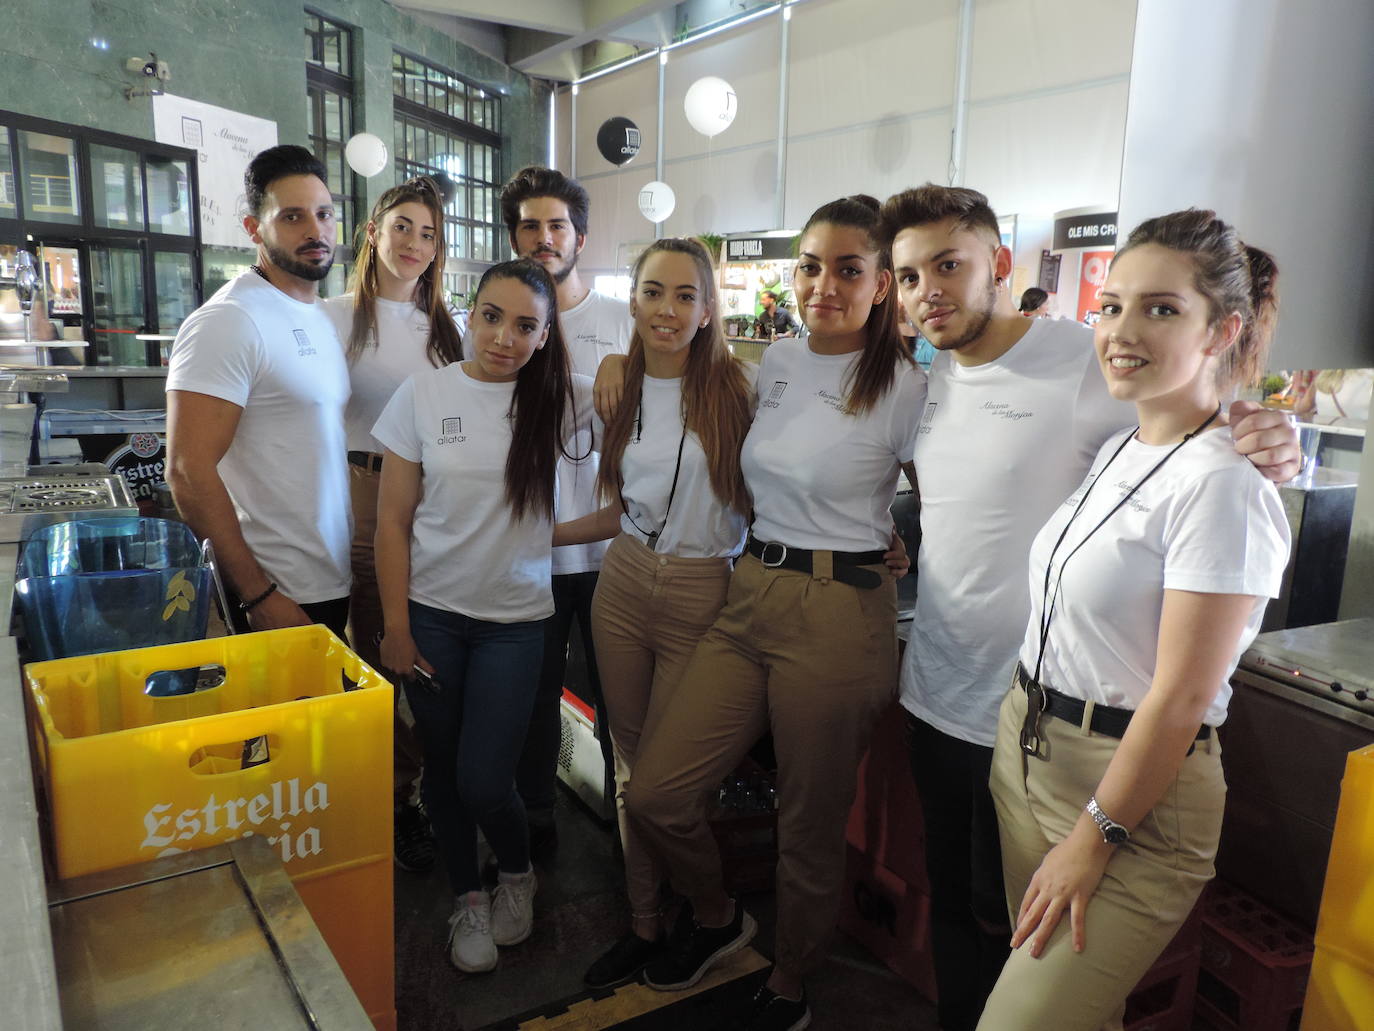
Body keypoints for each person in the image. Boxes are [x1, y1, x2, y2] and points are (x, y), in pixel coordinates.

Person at [877, 184, 1302, 1031]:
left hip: (1112, 774)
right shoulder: (1109, 444)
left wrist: (1264, 426)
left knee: (1029, 989)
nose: (1122, 329)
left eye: (1159, 308)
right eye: (1111, 304)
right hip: (1002, 725)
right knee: (1005, 950)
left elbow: (1183, 693)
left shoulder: (1115, 392)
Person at [625, 195, 926, 1031]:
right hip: (749, 588)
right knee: (656, 791)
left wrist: (900, 545)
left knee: (807, 822)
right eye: (810, 265)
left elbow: (949, 493)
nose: (823, 284)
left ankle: (791, 978)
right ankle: (721, 916)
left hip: (838, 612)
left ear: (880, 286)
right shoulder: (783, 361)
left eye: (848, 268)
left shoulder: (907, 385)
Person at [372, 258, 589, 974]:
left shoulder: (559, 399)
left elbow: (652, 404)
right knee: (442, 768)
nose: (503, 336)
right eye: (491, 316)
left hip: (515, 622)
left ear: (546, 333)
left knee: (485, 779)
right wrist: (397, 626)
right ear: (469, 311)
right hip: (432, 618)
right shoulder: (423, 394)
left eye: (526, 324)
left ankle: (517, 872)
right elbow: (393, 522)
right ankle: (468, 893)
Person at [554, 237, 756, 989]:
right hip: (625, 581)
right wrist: (538, 533)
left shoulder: (742, 389)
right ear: (631, 301)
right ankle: (644, 920)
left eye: (683, 295)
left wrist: (881, 540)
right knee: (631, 769)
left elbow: (786, 491)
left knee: (671, 783)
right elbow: (621, 510)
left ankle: (714, 910)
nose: (665, 310)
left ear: (707, 310)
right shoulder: (618, 387)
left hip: (705, 587)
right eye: (651, 293)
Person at [321, 177, 464, 876]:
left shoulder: (447, 327)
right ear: (373, 230)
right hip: (351, 499)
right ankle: (378, 799)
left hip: (428, 511)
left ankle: (406, 793)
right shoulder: (330, 316)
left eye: (429, 234)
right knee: (367, 662)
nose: (414, 244)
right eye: (403, 226)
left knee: (410, 656)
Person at [499, 165, 631, 860]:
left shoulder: (625, 321)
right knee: (533, 697)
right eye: (529, 226)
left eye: (557, 226)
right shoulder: (500, 322)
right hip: (532, 551)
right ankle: (536, 826)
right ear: (514, 236)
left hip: (615, 551)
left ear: (581, 236)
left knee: (621, 700)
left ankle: (631, 832)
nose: (544, 238)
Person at [166, 144, 350, 637]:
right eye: (292, 217)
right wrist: (258, 594)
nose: (315, 231)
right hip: (276, 588)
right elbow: (187, 470)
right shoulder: (229, 321)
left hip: (327, 575)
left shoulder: (319, 315)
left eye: (324, 214)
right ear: (254, 229)